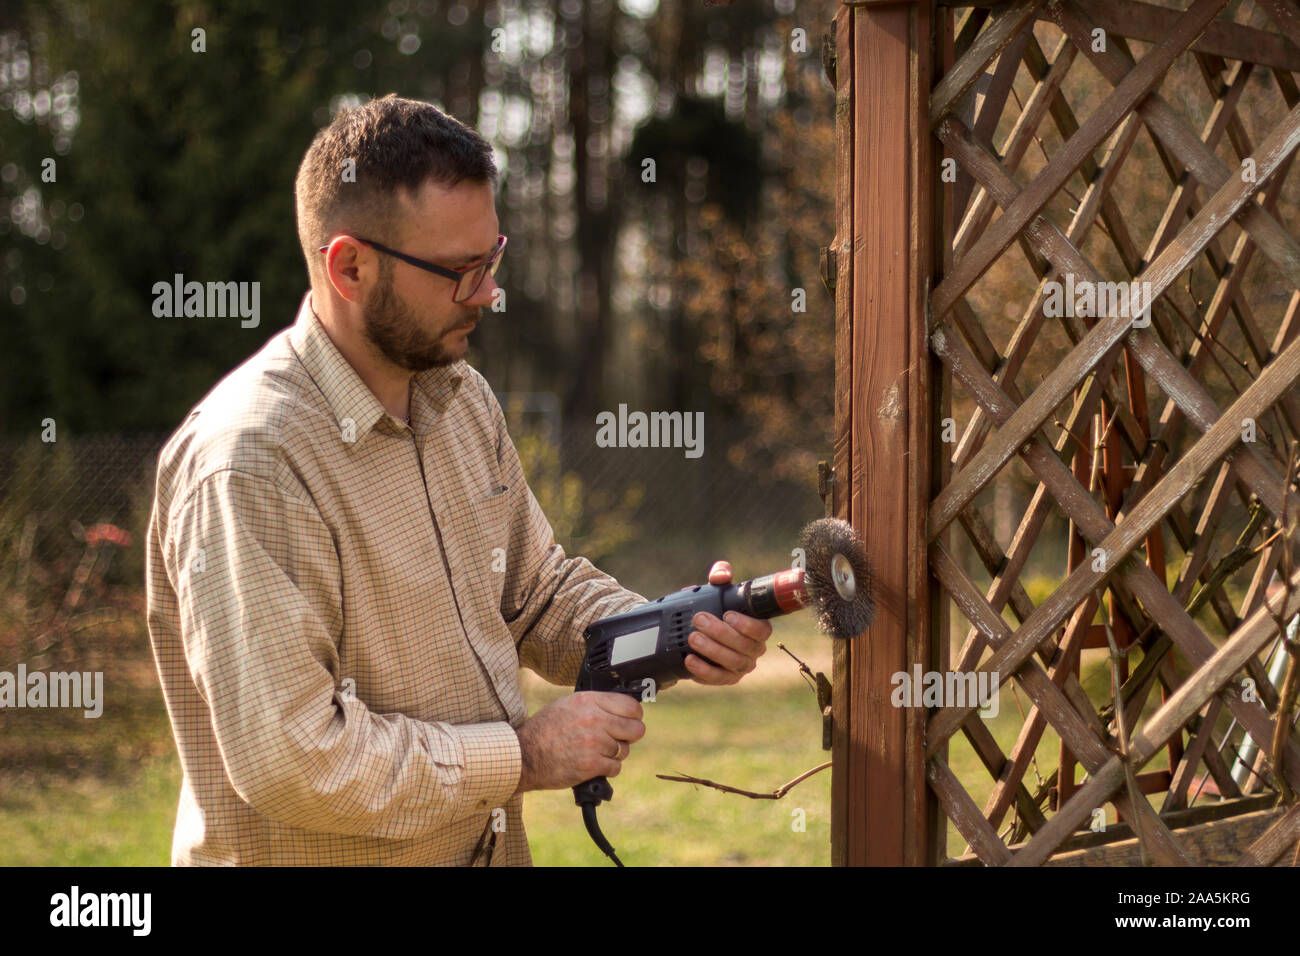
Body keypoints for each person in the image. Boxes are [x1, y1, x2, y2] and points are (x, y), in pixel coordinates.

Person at [144, 94, 774, 866]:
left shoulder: (458, 398)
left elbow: (537, 596)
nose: (487, 292)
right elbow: (294, 759)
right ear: (348, 266)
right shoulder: (251, 463)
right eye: (457, 271)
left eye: (492, 258)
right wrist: (524, 756)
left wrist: (675, 634)